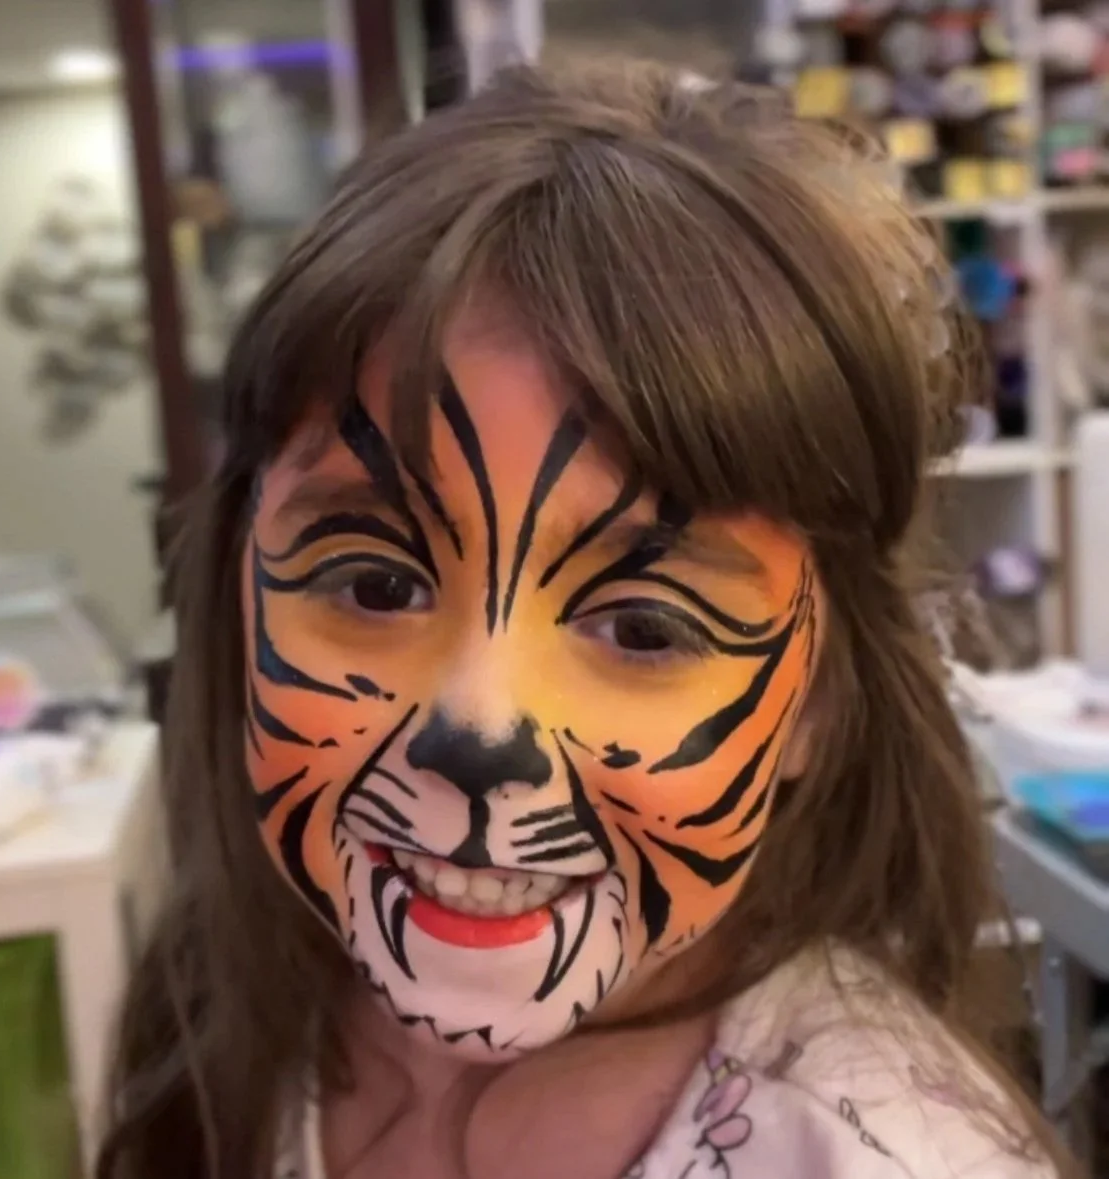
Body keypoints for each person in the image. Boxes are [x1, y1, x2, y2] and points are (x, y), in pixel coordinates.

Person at [97, 59, 1074, 1179]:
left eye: (646, 629)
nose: (478, 730)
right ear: (238, 591)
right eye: (375, 586)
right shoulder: (226, 1019)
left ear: (819, 699)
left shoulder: (885, 1160)